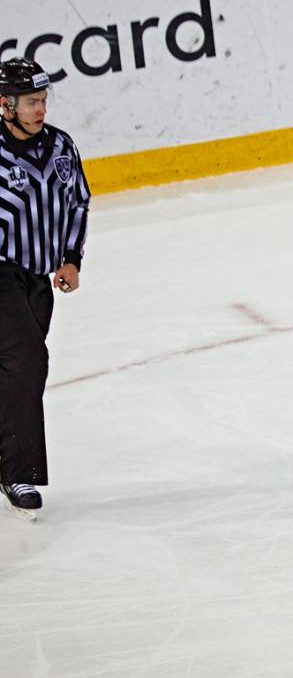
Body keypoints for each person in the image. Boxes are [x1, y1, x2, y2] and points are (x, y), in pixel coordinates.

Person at [0, 58, 90, 515]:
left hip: (37, 280)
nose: (40, 109)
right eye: (31, 102)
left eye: (42, 100)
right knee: (28, 362)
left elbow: (78, 203)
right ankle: (17, 474)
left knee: (15, 372)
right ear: (5, 105)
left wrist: (71, 258)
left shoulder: (60, 146)